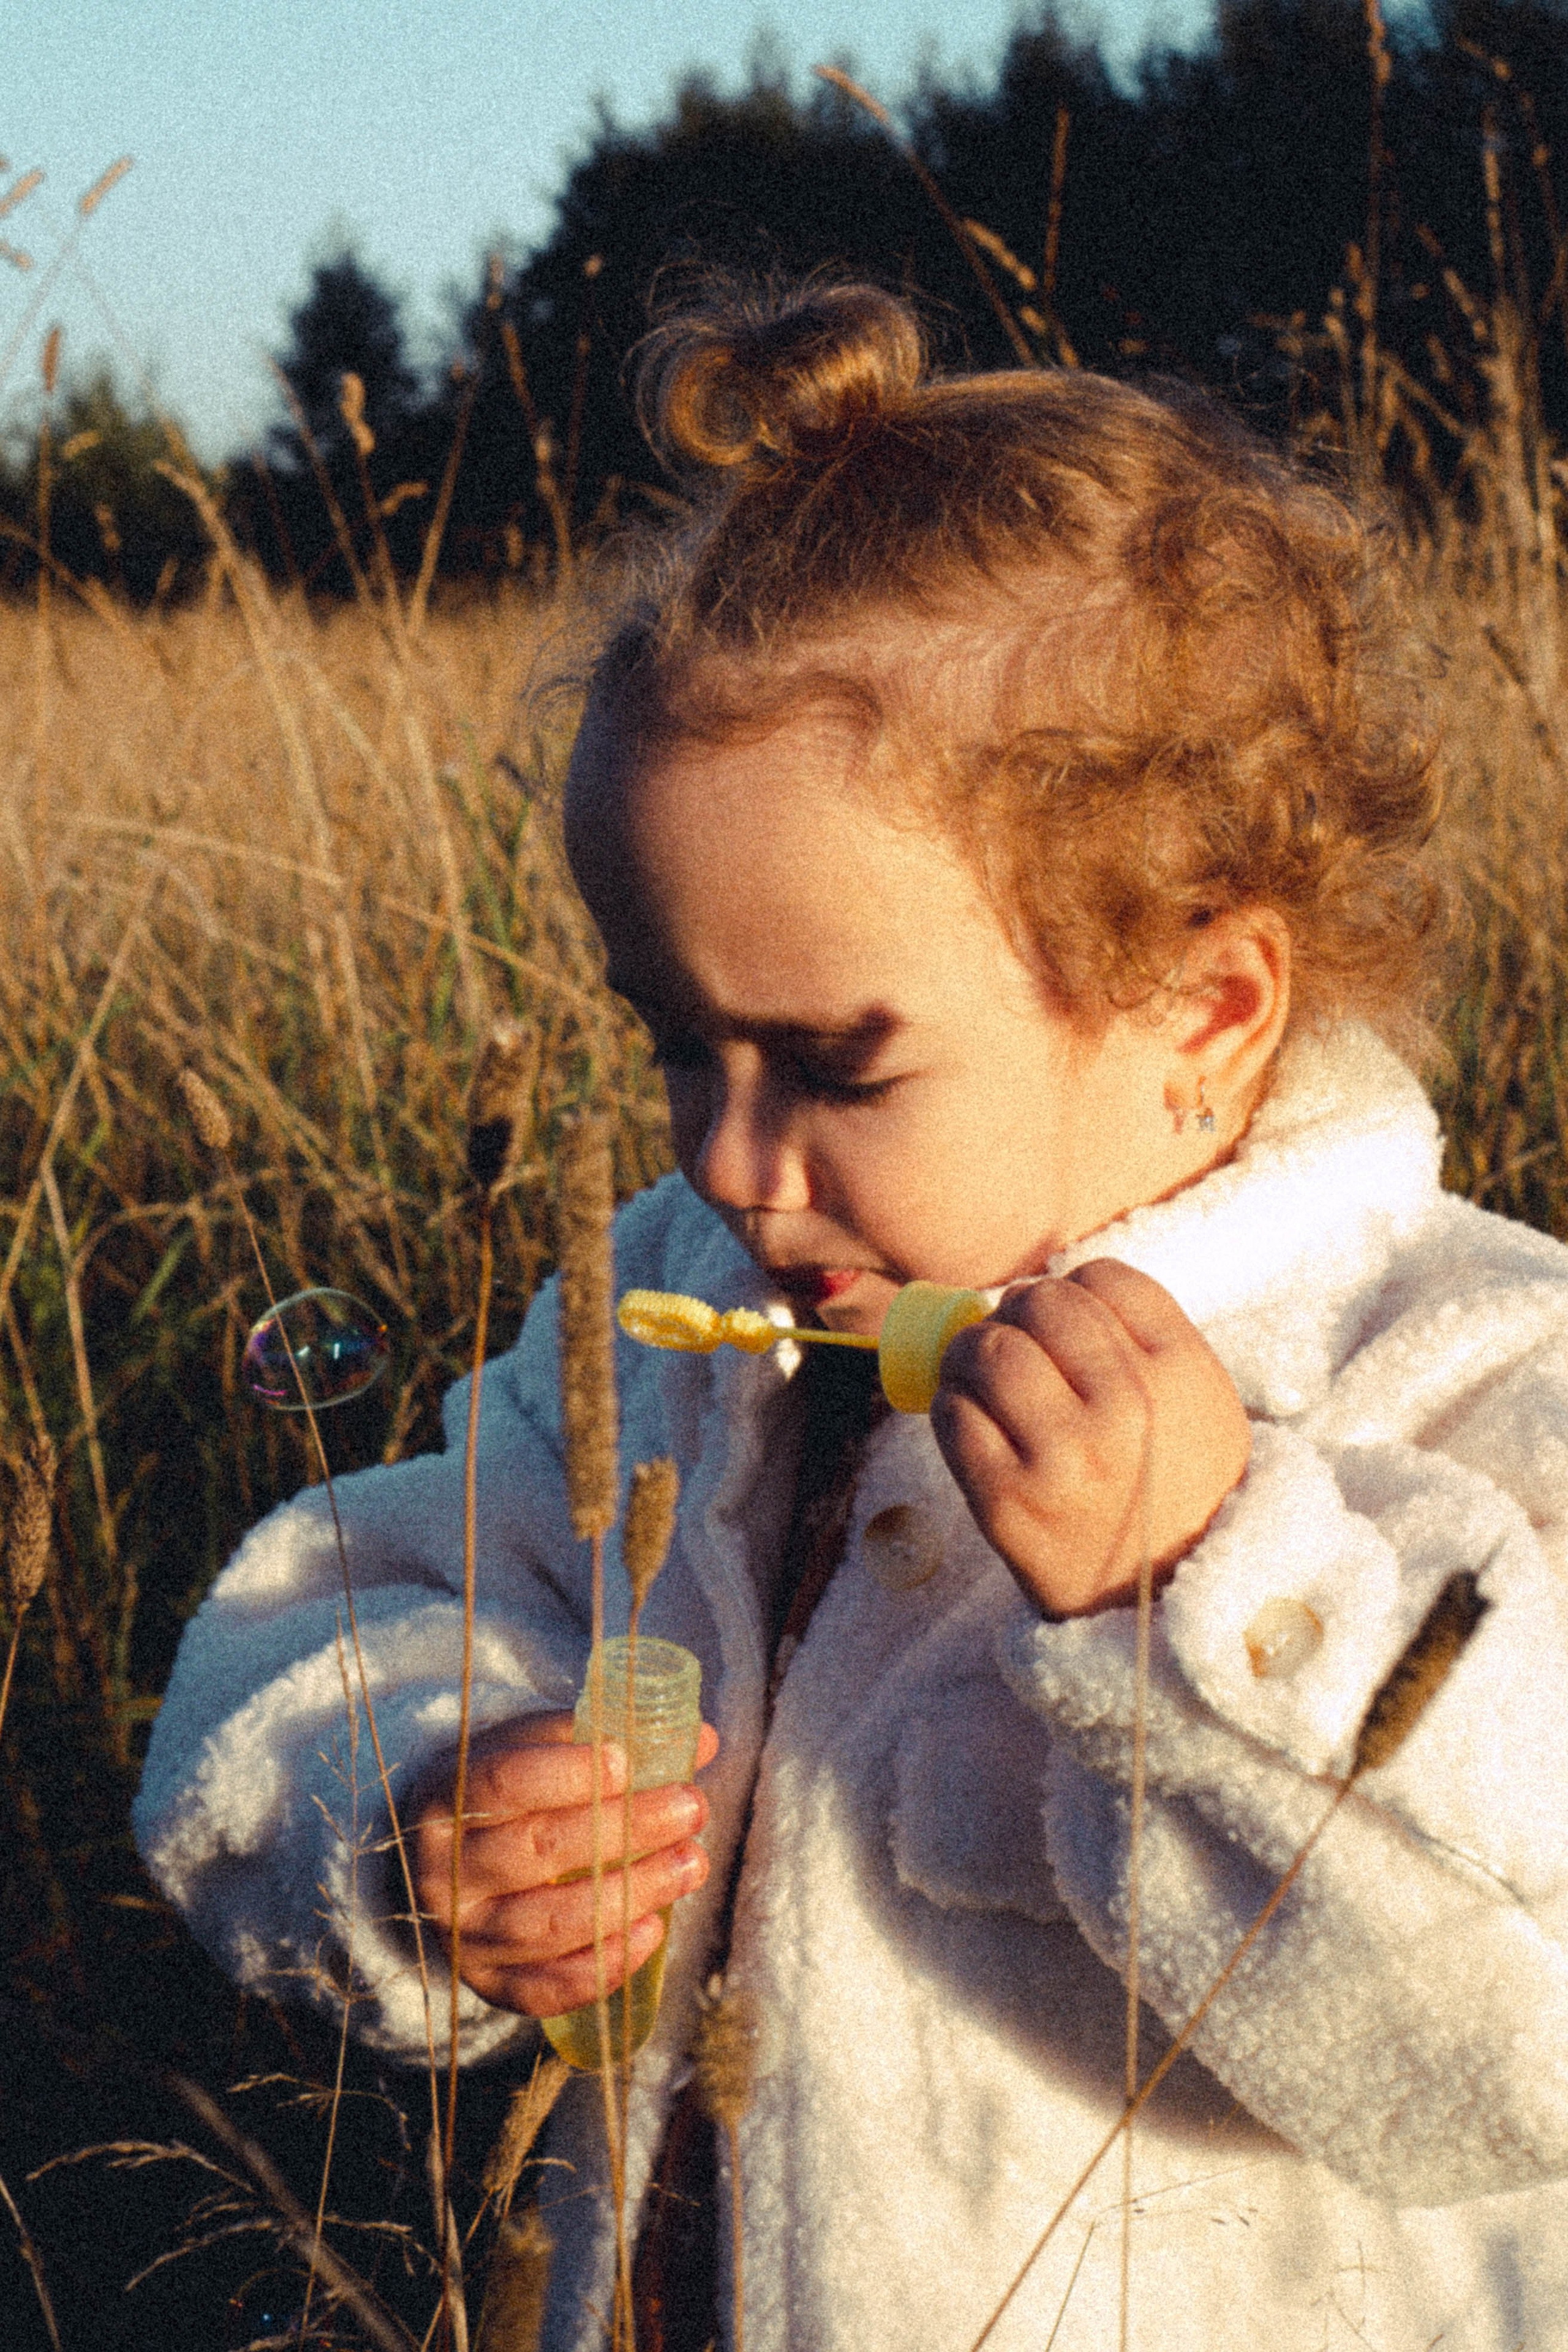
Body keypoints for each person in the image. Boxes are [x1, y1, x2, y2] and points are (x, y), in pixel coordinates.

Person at [135, 282, 1568, 2352]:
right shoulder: (671, 1322)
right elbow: (320, 1615)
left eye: (830, 1062)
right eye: (674, 1044)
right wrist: (421, 1808)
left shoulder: (1461, 1379)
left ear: (1204, 1008)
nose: (726, 1157)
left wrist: (1214, 1591)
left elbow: (1512, 2065)